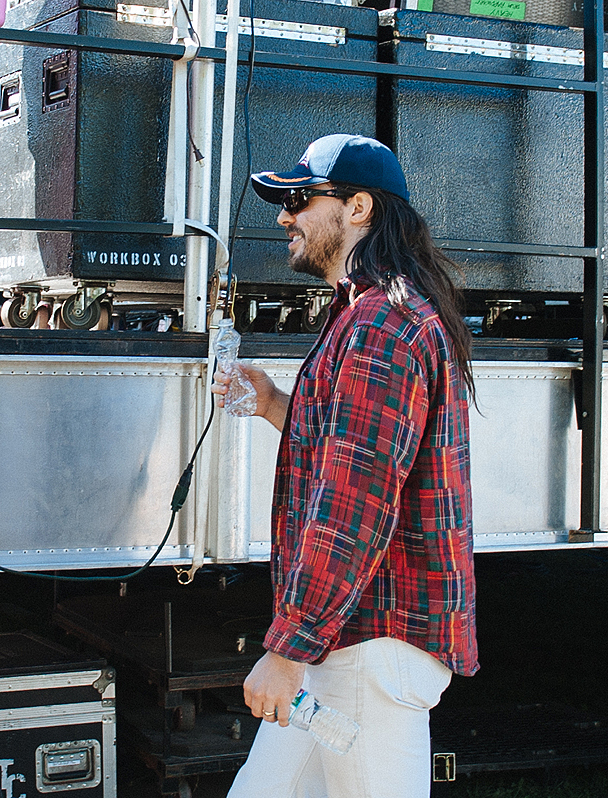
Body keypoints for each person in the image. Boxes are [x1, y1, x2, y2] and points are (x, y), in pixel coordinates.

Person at [216, 134, 478, 798]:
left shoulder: (381, 327)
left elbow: (351, 510)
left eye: (301, 199)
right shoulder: (370, 316)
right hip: (348, 640)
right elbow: (352, 454)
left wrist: (285, 649)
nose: (284, 217)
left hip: (367, 650)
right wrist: (275, 403)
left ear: (358, 207)